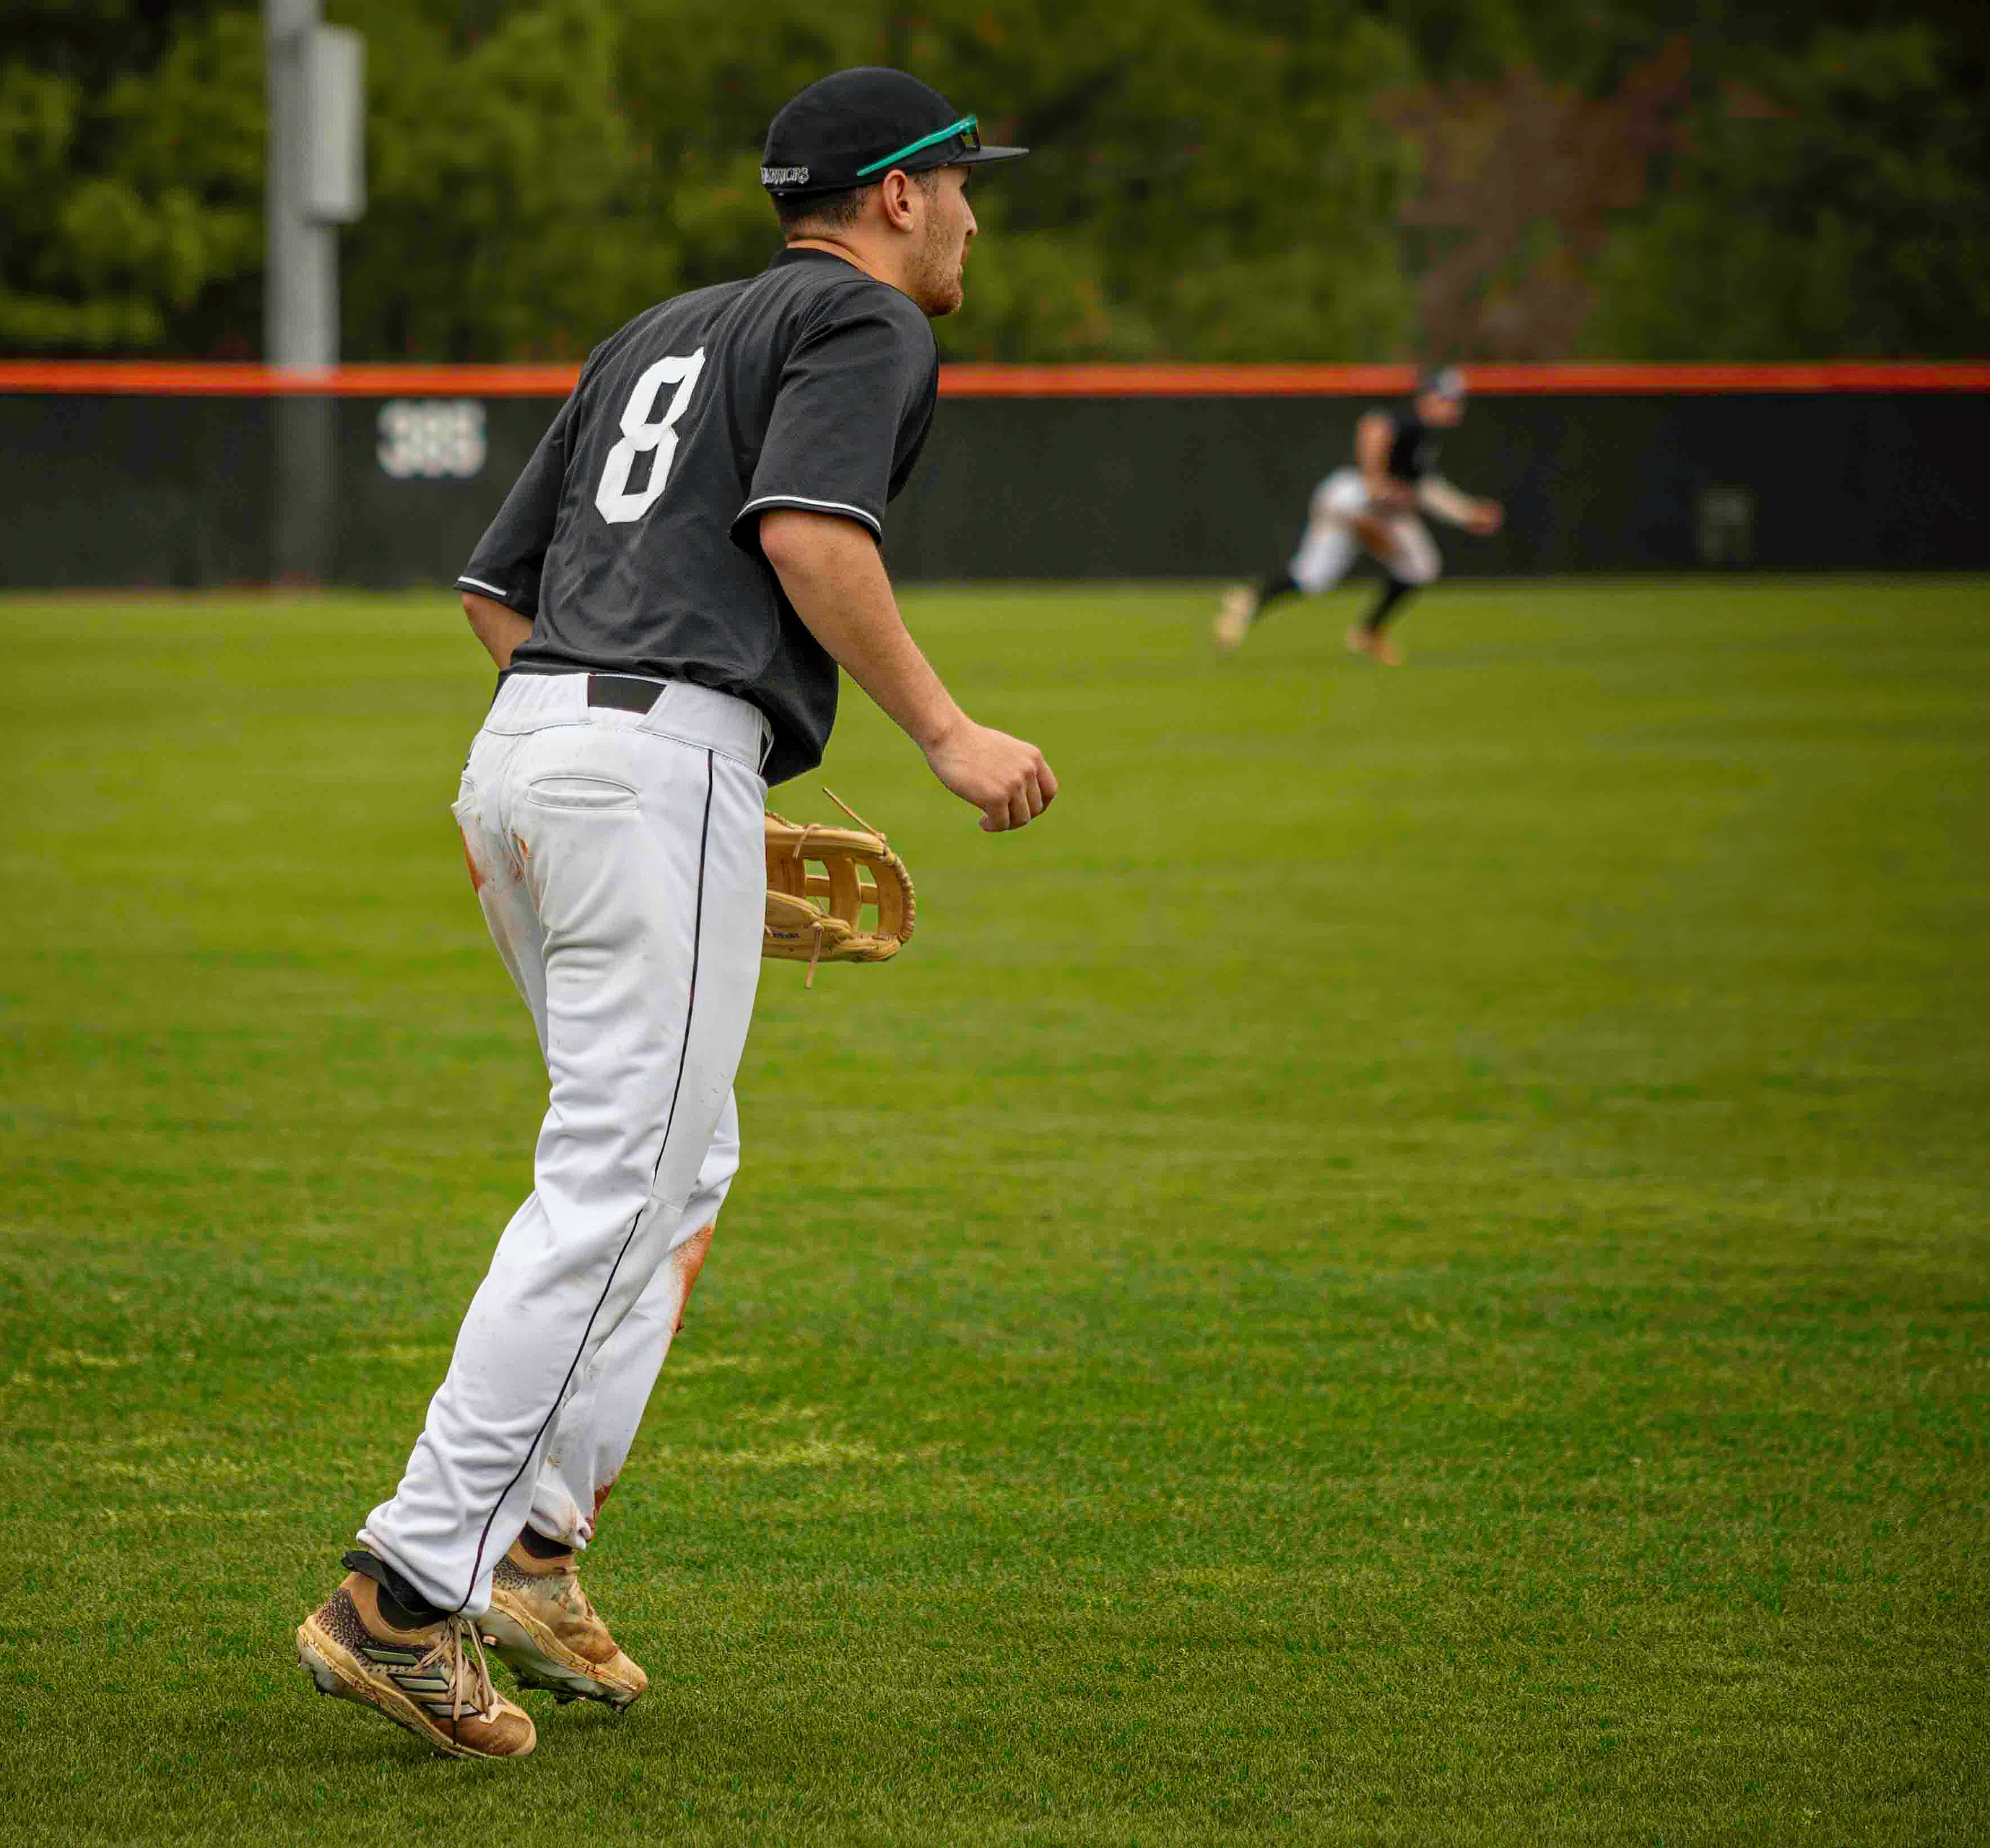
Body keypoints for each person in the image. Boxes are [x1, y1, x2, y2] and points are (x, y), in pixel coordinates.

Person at [292, 66, 1057, 1762]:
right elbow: (807, 535)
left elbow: (494, 590)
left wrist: (634, 777)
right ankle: (405, 1587)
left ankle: (534, 1545)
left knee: (677, 1160)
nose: (970, 216)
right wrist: (941, 735)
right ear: (894, 194)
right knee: (618, 1177)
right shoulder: (862, 322)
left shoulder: (656, 331)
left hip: (525, 750)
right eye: (960, 184)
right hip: (647, 768)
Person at [1212, 365, 1503, 665]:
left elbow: (1425, 489)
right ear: (1428, 396)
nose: (1454, 407)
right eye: (1448, 399)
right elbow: (1373, 427)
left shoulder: (1425, 436)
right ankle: (1253, 603)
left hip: (1379, 510)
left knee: (1419, 567)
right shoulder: (1409, 420)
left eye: (1456, 401)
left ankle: (1365, 632)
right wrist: (1374, 477)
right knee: (1315, 576)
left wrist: (1467, 513)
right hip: (1352, 498)